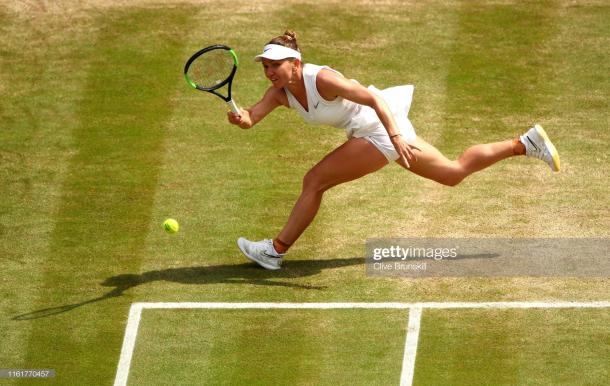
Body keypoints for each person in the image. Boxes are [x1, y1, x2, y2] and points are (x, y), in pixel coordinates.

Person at [229, 30, 560, 270]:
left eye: (275, 65)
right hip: (379, 132)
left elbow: (374, 99)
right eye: (266, 67)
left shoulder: (323, 79)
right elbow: (251, 119)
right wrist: (240, 118)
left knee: (314, 180)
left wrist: (395, 137)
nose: (269, 71)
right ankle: (524, 144)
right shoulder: (279, 93)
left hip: (380, 129)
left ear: (295, 64)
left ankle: (275, 250)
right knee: (452, 172)